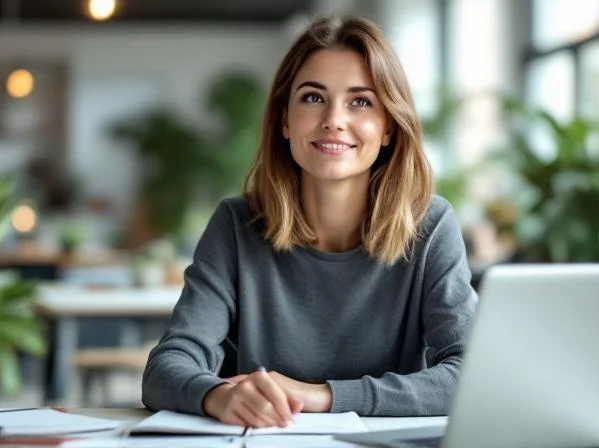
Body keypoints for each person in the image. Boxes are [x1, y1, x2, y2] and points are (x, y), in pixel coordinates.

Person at [142, 15, 477, 426]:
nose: (334, 119)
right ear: (285, 120)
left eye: (361, 101)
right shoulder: (236, 223)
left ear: (388, 125)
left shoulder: (430, 225)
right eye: (313, 98)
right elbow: (165, 369)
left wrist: (321, 396)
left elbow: (470, 376)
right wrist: (214, 395)